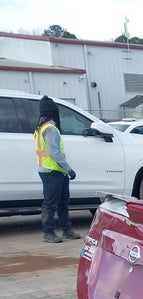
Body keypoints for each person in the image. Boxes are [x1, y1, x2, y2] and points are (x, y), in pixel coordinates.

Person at [34, 95, 80, 243]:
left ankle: (66, 229)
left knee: (62, 202)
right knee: (51, 203)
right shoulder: (50, 129)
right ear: (53, 112)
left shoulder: (41, 127)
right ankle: (48, 232)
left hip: (55, 171)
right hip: (52, 171)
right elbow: (54, 152)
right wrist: (69, 169)